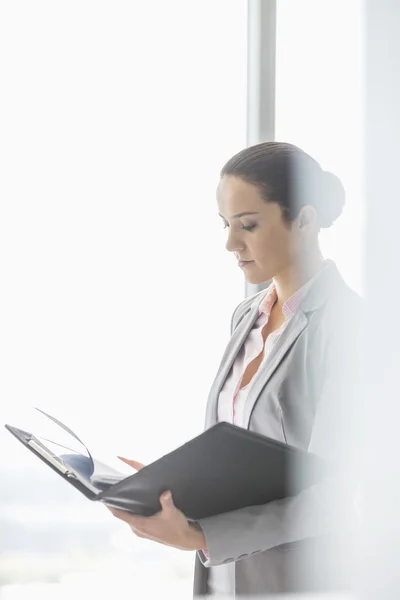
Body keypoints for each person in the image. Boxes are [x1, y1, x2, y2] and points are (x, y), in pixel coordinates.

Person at [108, 142, 362, 597]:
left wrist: (202, 536)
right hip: (223, 580)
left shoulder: (351, 327)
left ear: (303, 220)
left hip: (297, 583)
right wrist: (173, 490)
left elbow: (338, 495)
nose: (230, 243)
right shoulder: (247, 316)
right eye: (227, 225)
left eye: (248, 225)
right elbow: (242, 452)